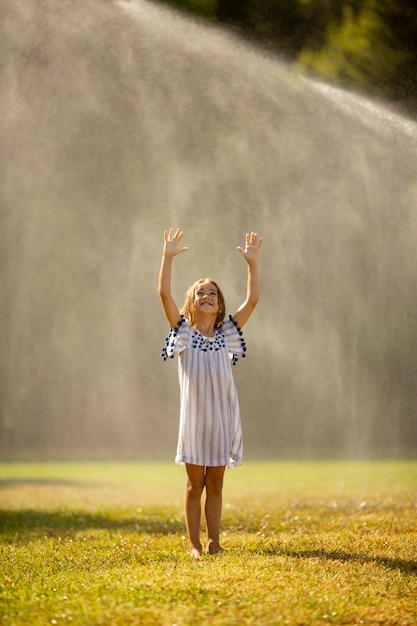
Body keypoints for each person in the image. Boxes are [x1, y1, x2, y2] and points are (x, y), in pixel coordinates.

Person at [158, 227, 262, 558]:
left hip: (221, 419)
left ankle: (215, 541)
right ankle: (193, 544)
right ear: (191, 304)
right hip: (194, 421)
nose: (207, 296)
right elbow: (163, 294)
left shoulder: (228, 332)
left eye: (213, 294)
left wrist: (252, 264)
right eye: (200, 293)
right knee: (194, 485)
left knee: (215, 484)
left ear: (219, 308)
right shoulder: (183, 332)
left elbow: (254, 299)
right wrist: (167, 256)